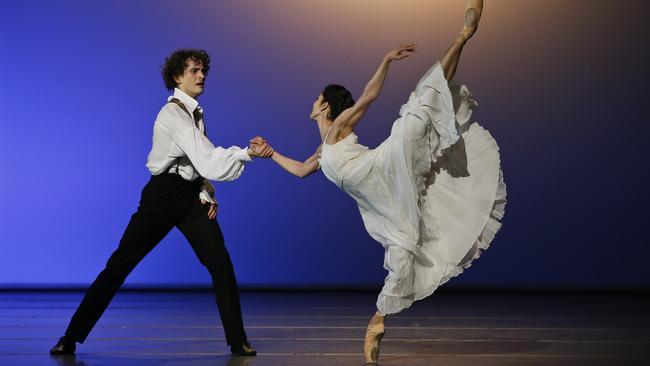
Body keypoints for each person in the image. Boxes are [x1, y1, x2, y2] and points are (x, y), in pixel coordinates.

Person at [262, 0, 505, 363]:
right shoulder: (322, 149)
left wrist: (386, 61)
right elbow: (299, 170)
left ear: (326, 106)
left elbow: (370, 95)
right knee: (403, 249)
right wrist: (270, 153)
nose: (313, 102)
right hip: (380, 200)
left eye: (317, 99)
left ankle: (462, 36)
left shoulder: (339, 127)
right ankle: (378, 321)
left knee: (420, 106)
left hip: (384, 166)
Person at [50, 49, 272, 357]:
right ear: (177, 77)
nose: (202, 75)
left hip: (189, 195)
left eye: (203, 70)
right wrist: (246, 153)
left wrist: (206, 192)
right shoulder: (173, 114)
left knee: (220, 263)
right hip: (163, 195)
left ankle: (237, 340)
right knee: (119, 265)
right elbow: (206, 158)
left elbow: (196, 164)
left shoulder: (195, 113)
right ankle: (71, 337)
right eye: (194, 70)